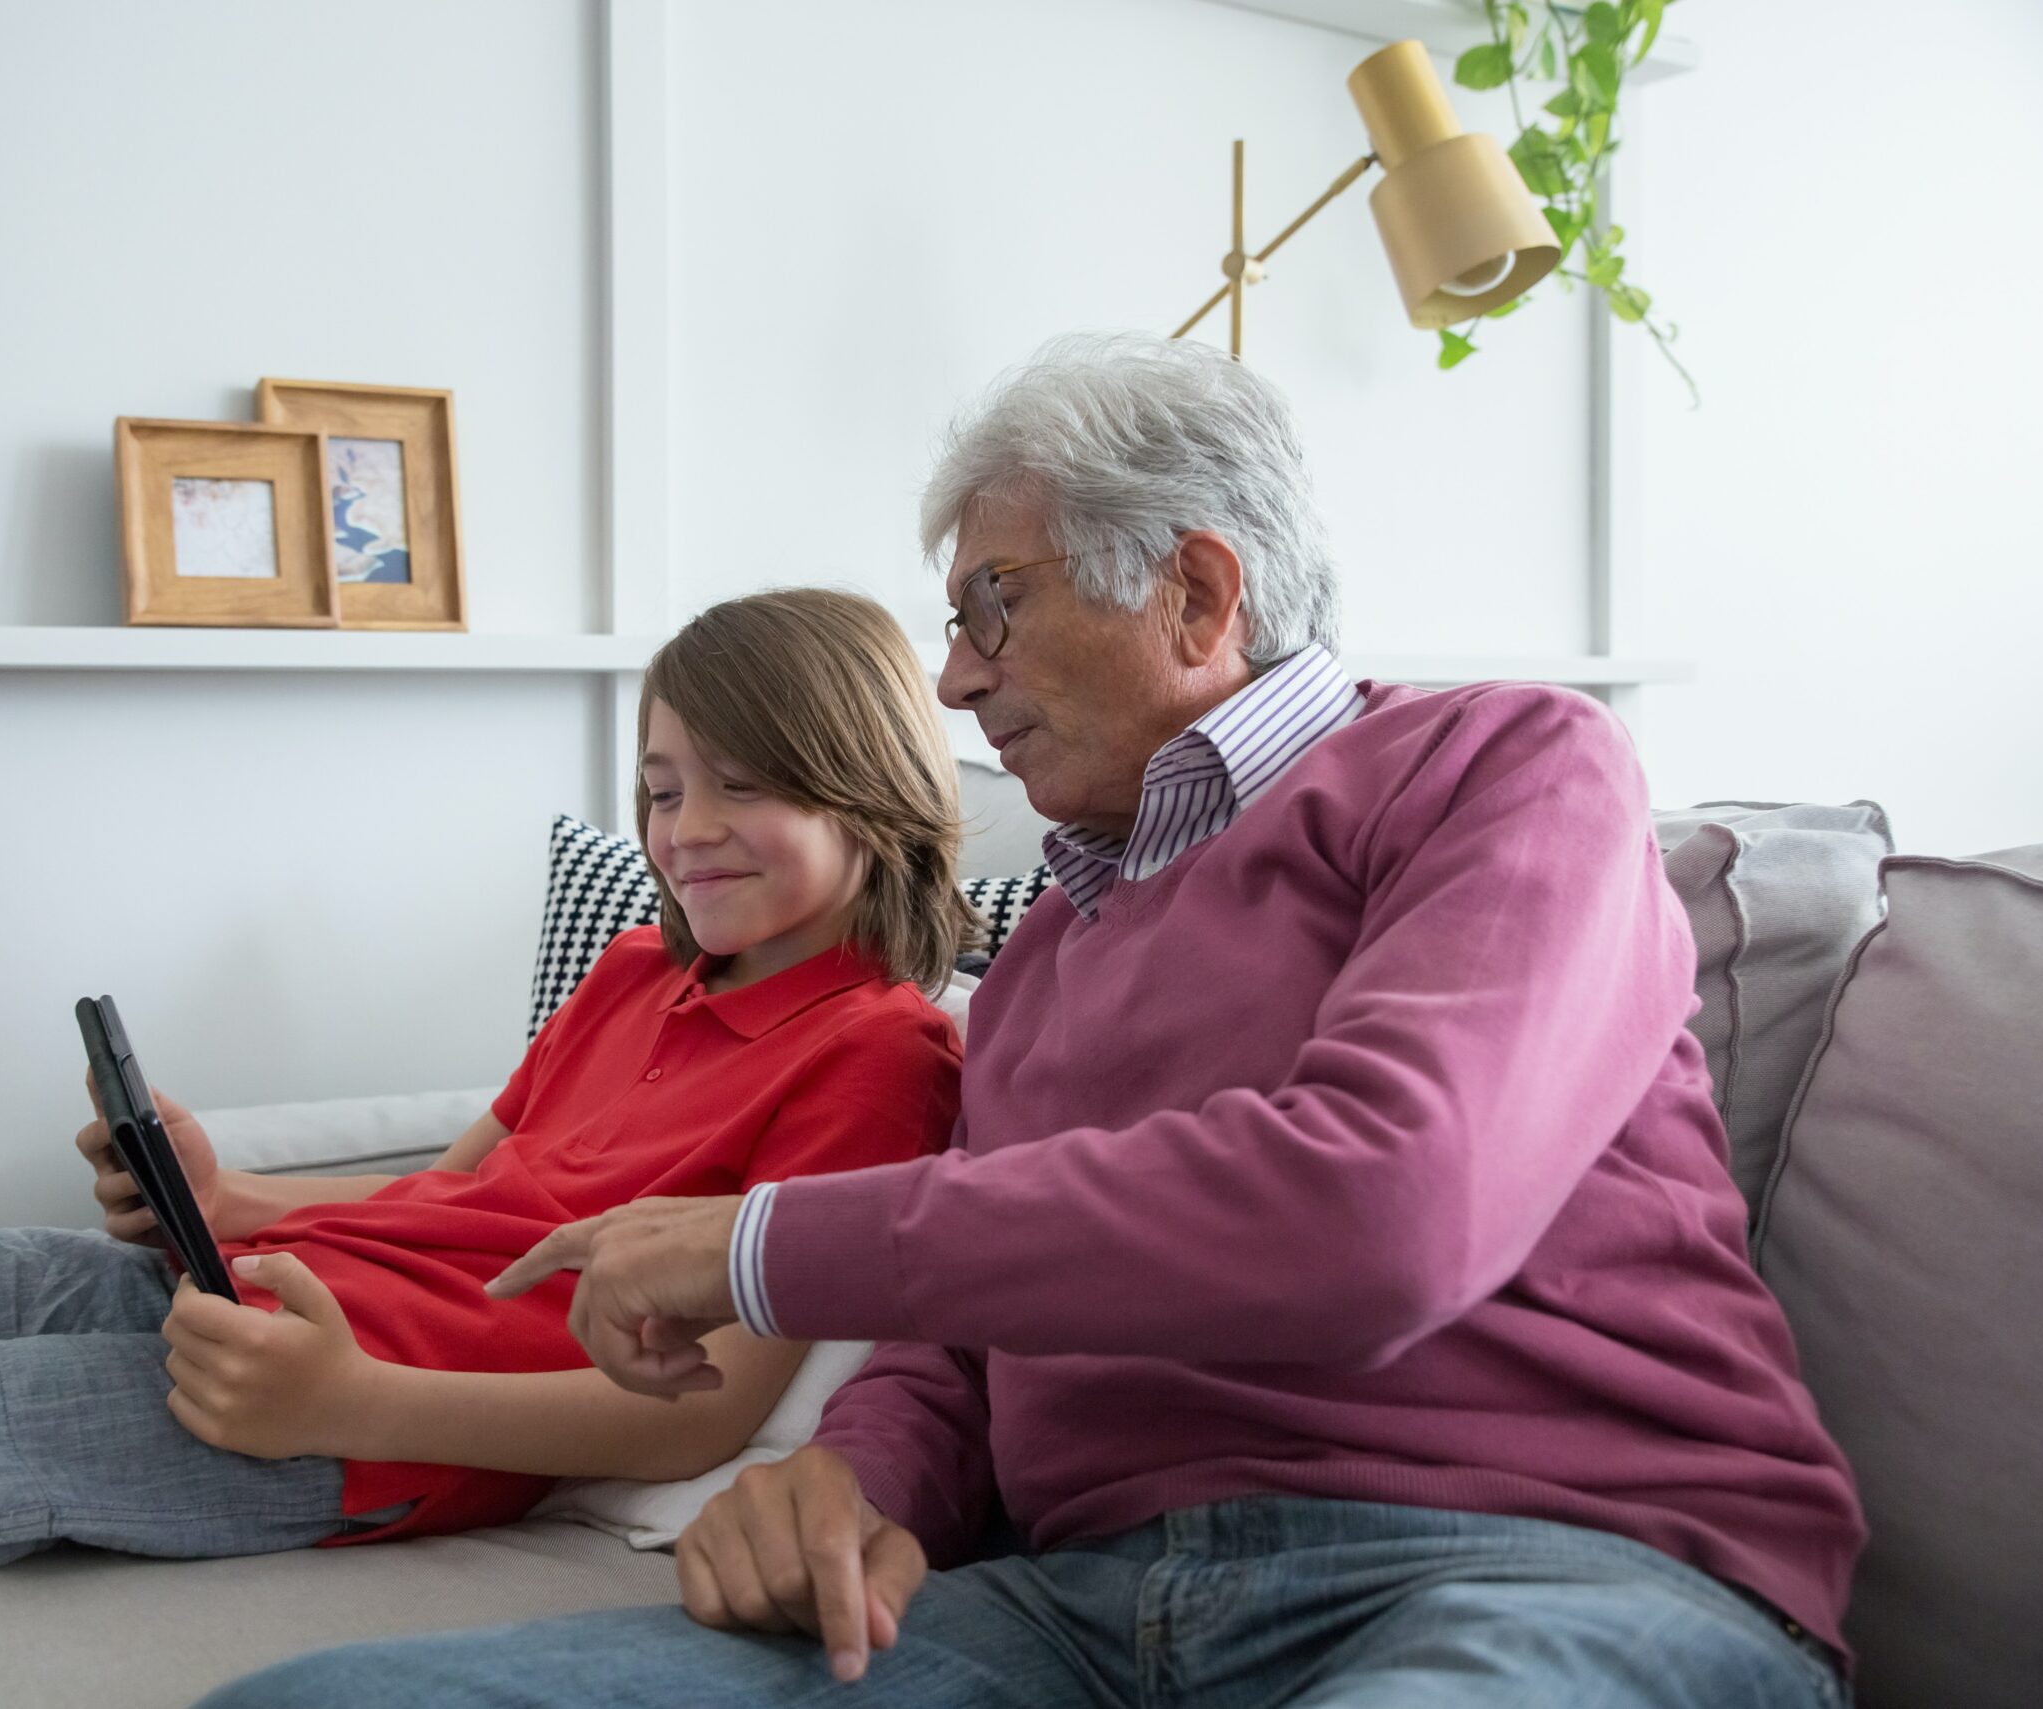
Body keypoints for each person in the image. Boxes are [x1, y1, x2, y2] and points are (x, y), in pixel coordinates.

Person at [200, 334, 1867, 1709]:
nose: (949, 679)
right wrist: (851, 1483)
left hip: (1545, 1571)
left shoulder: (1505, 770)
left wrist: (757, 1248)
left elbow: (1383, 1205)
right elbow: (961, 1346)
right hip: (1078, 1616)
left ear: (1198, 597)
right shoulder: (1058, 932)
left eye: (989, 603)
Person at [0, 588, 970, 1598]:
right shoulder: (637, 971)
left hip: (364, 1416)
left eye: (739, 786)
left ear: (871, 783)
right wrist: (225, 1196)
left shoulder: (880, 1053)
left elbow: (693, 1420)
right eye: (660, 788)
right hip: (260, 1300)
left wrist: (342, 1395)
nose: (685, 830)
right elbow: (455, 1190)